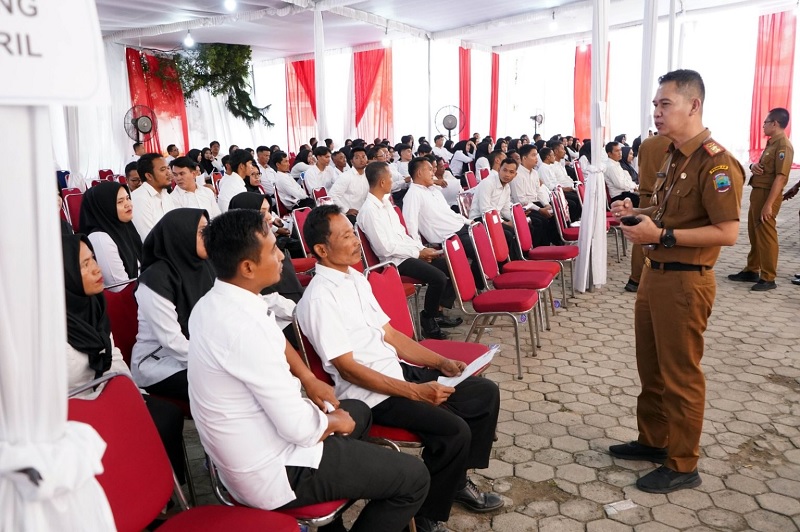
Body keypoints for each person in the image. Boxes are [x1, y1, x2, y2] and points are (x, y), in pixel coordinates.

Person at [188, 209, 430, 530]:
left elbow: (277, 338)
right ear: (247, 267)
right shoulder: (243, 330)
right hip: (274, 471)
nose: (281, 256)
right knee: (413, 477)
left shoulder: (219, 301)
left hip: (258, 447)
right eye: (273, 250)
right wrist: (333, 422)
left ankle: (335, 516)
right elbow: (299, 428)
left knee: (358, 411)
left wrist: (307, 377)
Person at [297, 205, 502, 532]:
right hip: (372, 394)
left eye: (353, 233)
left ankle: (455, 481)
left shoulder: (355, 278)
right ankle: (427, 515)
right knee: (453, 430)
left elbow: (391, 335)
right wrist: (416, 392)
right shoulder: (320, 299)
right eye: (346, 236)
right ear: (322, 249)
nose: (356, 241)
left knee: (483, 393)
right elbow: (348, 370)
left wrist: (440, 362)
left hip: (397, 371)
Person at [609, 69, 744, 493]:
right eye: (655, 104)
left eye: (665, 104)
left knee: (680, 375)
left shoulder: (716, 162)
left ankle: (684, 463)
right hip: (656, 275)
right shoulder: (674, 155)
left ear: (694, 105)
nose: (657, 111)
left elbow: (727, 232)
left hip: (686, 282)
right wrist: (637, 212)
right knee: (651, 366)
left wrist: (663, 235)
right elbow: (668, 212)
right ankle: (654, 440)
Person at [63, 233, 186, 483]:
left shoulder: (93, 306)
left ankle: (163, 492)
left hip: (108, 392)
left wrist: (130, 395)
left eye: (93, 259)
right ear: (63, 275)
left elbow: (113, 355)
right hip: (73, 410)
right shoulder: (43, 333)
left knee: (166, 417)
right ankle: (130, 495)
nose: (97, 269)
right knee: (126, 435)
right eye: (85, 264)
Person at [357, 161, 462, 340]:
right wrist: (418, 254)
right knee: (438, 278)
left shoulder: (386, 204)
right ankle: (427, 319)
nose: (393, 181)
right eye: (390, 177)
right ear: (382, 182)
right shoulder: (369, 211)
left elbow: (402, 235)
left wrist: (422, 249)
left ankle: (437, 312)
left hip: (406, 254)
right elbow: (385, 248)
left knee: (450, 266)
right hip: (393, 262)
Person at [131, 209, 215, 402]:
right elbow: (173, 342)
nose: (209, 235)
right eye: (201, 231)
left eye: (208, 228)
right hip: (160, 360)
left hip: (203, 349)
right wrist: (219, 362)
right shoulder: (154, 281)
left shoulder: (205, 265)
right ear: (181, 235)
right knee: (225, 384)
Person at [728, 107, 794, 291]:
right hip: (759, 193)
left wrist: (769, 205)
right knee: (755, 233)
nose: (763, 126)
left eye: (766, 122)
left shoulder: (783, 146)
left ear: (775, 123)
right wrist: (753, 166)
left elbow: (781, 178)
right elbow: (765, 168)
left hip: (767, 195)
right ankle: (752, 269)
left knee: (766, 235)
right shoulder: (772, 143)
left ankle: (768, 277)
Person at [402, 158, 485, 288]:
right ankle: (474, 287)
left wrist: (469, 221)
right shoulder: (413, 195)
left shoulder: (433, 190)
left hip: (459, 228)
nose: (433, 173)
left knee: (486, 240)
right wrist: (420, 249)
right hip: (448, 236)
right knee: (479, 249)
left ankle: (474, 285)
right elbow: (410, 225)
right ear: (419, 173)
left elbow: (450, 213)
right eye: (430, 170)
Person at [228, 191, 305, 307]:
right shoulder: (242, 256)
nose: (269, 217)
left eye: (269, 211)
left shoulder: (267, 240)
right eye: (262, 212)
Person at [624, 134, 672, 293]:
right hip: (665, 197)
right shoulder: (676, 143)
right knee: (663, 237)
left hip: (646, 194)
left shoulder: (646, 143)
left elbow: (640, 168)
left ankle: (635, 278)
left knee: (641, 239)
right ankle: (655, 278)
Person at [79, 181, 143, 291]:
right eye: (120, 201)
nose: (128, 204)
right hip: (129, 296)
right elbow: (120, 287)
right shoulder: (100, 238)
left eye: (128, 198)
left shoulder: (124, 226)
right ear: (106, 207)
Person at [468, 157, 521, 259]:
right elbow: (485, 210)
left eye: (511, 172)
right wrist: (504, 223)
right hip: (479, 219)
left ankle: (517, 259)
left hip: (495, 219)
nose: (507, 174)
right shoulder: (487, 183)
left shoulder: (507, 187)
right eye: (504, 170)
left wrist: (515, 220)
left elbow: (505, 209)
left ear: (515, 175)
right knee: (508, 234)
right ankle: (508, 262)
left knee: (519, 227)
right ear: (499, 169)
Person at [511, 144, 560, 247]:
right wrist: (540, 209)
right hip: (524, 207)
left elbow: (539, 191)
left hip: (535, 203)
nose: (536, 158)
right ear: (524, 158)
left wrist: (546, 204)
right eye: (533, 155)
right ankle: (537, 248)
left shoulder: (534, 173)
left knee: (555, 212)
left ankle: (553, 244)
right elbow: (521, 200)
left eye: (536, 155)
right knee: (540, 221)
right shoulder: (517, 175)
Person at [131, 153, 175, 240]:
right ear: (149, 176)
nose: (169, 173)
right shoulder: (139, 199)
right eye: (163, 169)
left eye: (168, 168)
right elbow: (149, 239)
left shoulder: (165, 194)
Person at [328, 146, 369, 221]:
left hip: (365, 211)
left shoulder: (369, 174)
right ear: (352, 161)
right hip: (351, 215)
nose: (361, 160)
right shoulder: (346, 176)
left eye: (363, 157)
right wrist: (346, 210)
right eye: (357, 158)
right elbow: (332, 195)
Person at [604, 141, 639, 207]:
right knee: (642, 200)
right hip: (619, 197)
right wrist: (634, 186)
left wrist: (635, 186)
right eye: (617, 151)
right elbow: (620, 184)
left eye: (620, 150)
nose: (620, 153)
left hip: (625, 193)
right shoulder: (611, 166)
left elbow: (627, 179)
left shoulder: (617, 163)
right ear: (609, 154)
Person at [217, 149, 253, 213]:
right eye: (250, 163)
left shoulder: (229, 180)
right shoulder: (238, 187)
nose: (252, 167)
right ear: (242, 166)